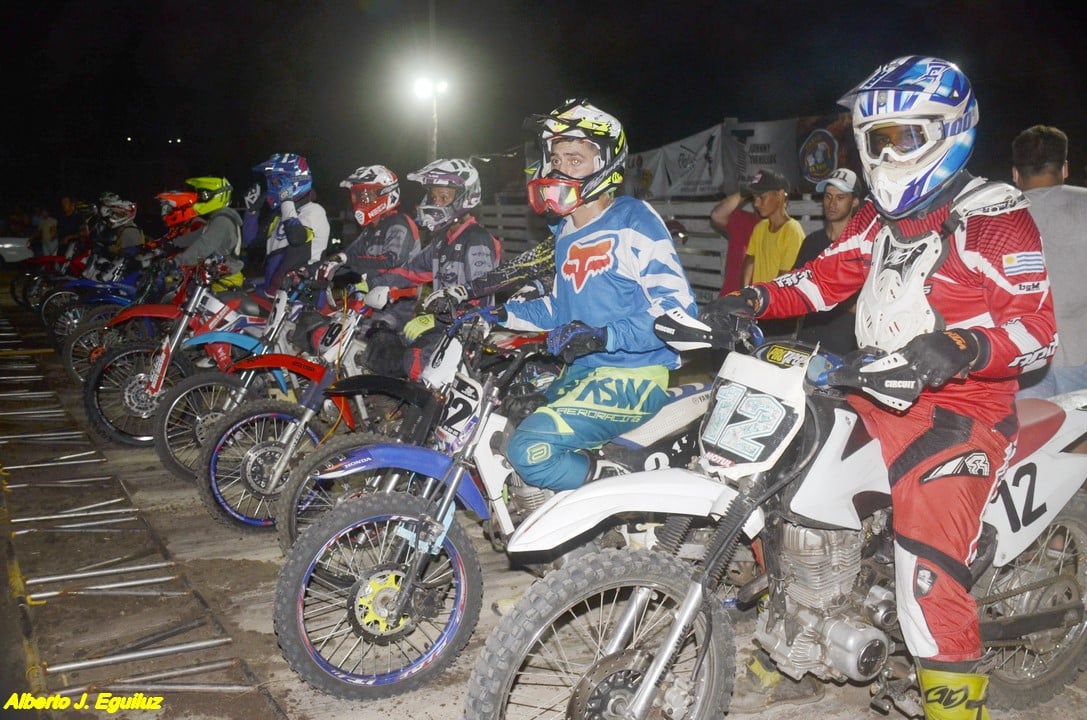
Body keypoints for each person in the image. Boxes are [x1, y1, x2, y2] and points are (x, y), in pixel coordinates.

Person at [708, 56, 1056, 719]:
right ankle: (794, 636)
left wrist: (959, 345)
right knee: (778, 486)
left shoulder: (994, 213)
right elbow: (822, 278)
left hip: (960, 408)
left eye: (897, 137)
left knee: (926, 573)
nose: (880, 154)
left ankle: (958, 708)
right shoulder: (874, 219)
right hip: (877, 387)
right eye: (870, 139)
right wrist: (751, 297)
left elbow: (1036, 328)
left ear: (945, 131)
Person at [469, 99, 696, 493]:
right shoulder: (565, 232)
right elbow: (558, 309)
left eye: (574, 159)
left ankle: (615, 487)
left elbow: (677, 311)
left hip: (633, 377)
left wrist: (604, 335)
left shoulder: (631, 219)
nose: (559, 168)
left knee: (530, 448)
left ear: (605, 164)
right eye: (555, 158)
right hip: (582, 372)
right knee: (505, 415)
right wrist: (496, 315)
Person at [393, 158, 501, 378]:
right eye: (434, 197)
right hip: (447, 325)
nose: (436, 203)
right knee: (391, 343)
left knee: (415, 362)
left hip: (470, 330)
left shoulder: (476, 239)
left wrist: (435, 319)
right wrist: (374, 284)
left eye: (444, 197)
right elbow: (411, 271)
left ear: (464, 197)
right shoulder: (442, 240)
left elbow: (479, 296)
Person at [1012, 125, 1087, 398]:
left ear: (1016, 173)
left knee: (1036, 439)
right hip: (1082, 354)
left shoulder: (995, 216)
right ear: (1064, 168)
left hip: (1023, 362)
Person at [331, 165, 421, 331]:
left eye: (366, 195)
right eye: (358, 195)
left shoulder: (399, 224)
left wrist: (348, 261)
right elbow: (348, 256)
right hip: (370, 302)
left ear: (386, 193)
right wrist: (318, 268)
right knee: (332, 326)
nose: (361, 201)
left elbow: (390, 260)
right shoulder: (370, 229)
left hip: (396, 308)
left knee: (370, 338)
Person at [792, 167, 862, 355]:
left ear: (854, 201)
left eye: (840, 198)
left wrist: (823, 294)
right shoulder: (811, 242)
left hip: (846, 348)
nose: (832, 203)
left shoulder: (863, 246)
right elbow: (796, 290)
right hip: (808, 342)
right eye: (828, 196)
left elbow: (865, 306)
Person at [245, 153, 330, 297]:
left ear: (294, 182)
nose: (272, 186)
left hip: (300, 298)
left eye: (277, 181)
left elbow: (296, 237)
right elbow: (250, 242)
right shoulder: (282, 215)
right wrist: (252, 212)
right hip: (273, 293)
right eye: (271, 181)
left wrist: (286, 200)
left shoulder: (314, 211)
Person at [171, 177, 245, 285]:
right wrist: (172, 243)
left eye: (204, 195)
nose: (200, 199)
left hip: (227, 281)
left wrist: (176, 261)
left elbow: (203, 246)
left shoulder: (222, 221)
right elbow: (197, 235)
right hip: (219, 277)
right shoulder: (217, 219)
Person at [740, 168, 806, 287]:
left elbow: (783, 280)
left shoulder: (792, 231)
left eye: (762, 197)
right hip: (761, 300)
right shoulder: (760, 228)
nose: (756, 203)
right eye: (754, 198)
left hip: (779, 302)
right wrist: (744, 292)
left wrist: (762, 299)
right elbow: (750, 259)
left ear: (779, 196)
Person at [709, 190, 759, 295]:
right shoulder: (744, 220)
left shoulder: (786, 231)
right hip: (729, 301)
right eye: (757, 196)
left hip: (760, 304)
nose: (759, 202)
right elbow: (717, 215)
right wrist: (746, 191)